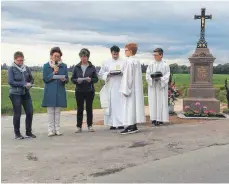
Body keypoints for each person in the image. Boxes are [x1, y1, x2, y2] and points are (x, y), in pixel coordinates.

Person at [8, 51, 36, 139]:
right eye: (19, 60)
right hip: (15, 93)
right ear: (15, 60)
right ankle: (17, 133)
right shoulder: (11, 69)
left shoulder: (26, 68)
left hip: (25, 92)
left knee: (30, 111)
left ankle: (28, 132)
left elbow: (31, 79)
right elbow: (11, 82)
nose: (21, 62)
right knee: (18, 113)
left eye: (22, 60)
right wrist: (23, 84)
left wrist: (30, 84)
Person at [119, 43, 145, 134]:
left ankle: (130, 125)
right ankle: (133, 125)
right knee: (134, 106)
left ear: (130, 51)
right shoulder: (136, 61)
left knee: (129, 107)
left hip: (130, 89)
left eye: (125, 50)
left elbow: (128, 77)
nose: (124, 52)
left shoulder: (129, 61)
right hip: (136, 88)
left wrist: (125, 89)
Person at [42, 47, 69, 136]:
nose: (57, 58)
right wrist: (53, 72)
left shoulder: (64, 66)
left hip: (59, 90)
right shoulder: (46, 66)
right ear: (51, 56)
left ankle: (57, 129)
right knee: (50, 111)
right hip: (49, 91)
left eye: (58, 56)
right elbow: (45, 79)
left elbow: (67, 79)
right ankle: (50, 130)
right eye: (55, 56)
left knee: (57, 111)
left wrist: (63, 79)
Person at [71, 48, 98, 133]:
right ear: (80, 57)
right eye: (82, 56)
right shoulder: (76, 67)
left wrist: (91, 80)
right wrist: (76, 81)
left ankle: (90, 125)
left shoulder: (92, 67)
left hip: (89, 91)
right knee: (80, 109)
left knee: (89, 109)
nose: (83, 58)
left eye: (85, 56)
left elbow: (96, 79)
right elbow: (72, 79)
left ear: (88, 57)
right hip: (79, 90)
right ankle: (79, 127)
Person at [99, 45, 125, 130]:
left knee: (120, 105)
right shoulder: (106, 62)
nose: (115, 56)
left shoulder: (123, 62)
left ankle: (121, 123)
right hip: (110, 86)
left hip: (120, 86)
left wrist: (122, 73)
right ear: (111, 53)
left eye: (116, 54)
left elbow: (126, 72)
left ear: (118, 53)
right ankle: (112, 123)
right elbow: (101, 74)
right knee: (111, 105)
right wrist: (108, 74)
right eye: (114, 54)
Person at [146, 48, 170, 126]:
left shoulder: (165, 65)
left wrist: (161, 78)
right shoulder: (151, 64)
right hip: (153, 86)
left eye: (156, 55)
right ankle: (154, 119)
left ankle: (161, 119)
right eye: (154, 55)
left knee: (161, 102)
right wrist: (152, 78)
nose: (155, 57)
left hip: (161, 87)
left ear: (161, 55)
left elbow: (167, 75)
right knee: (153, 102)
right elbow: (147, 74)